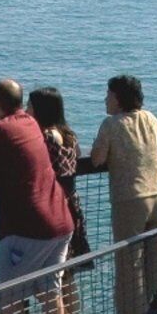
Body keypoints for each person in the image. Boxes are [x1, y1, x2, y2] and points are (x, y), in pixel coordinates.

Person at [0, 78, 77, 314]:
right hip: (62, 222)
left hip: (28, 228)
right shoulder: (32, 124)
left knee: (9, 295)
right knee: (51, 291)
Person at [90, 74, 157, 314]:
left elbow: (98, 158)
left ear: (119, 98)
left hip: (130, 199)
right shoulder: (151, 118)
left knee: (130, 268)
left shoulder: (111, 125)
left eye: (108, 95)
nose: (105, 99)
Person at [29, 87, 91, 260]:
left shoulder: (45, 137)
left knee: (54, 264)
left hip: (54, 204)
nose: (26, 111)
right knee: (68, 264)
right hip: (72, 201)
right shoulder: (69, 134)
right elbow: (77, 155)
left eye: (30, 107)